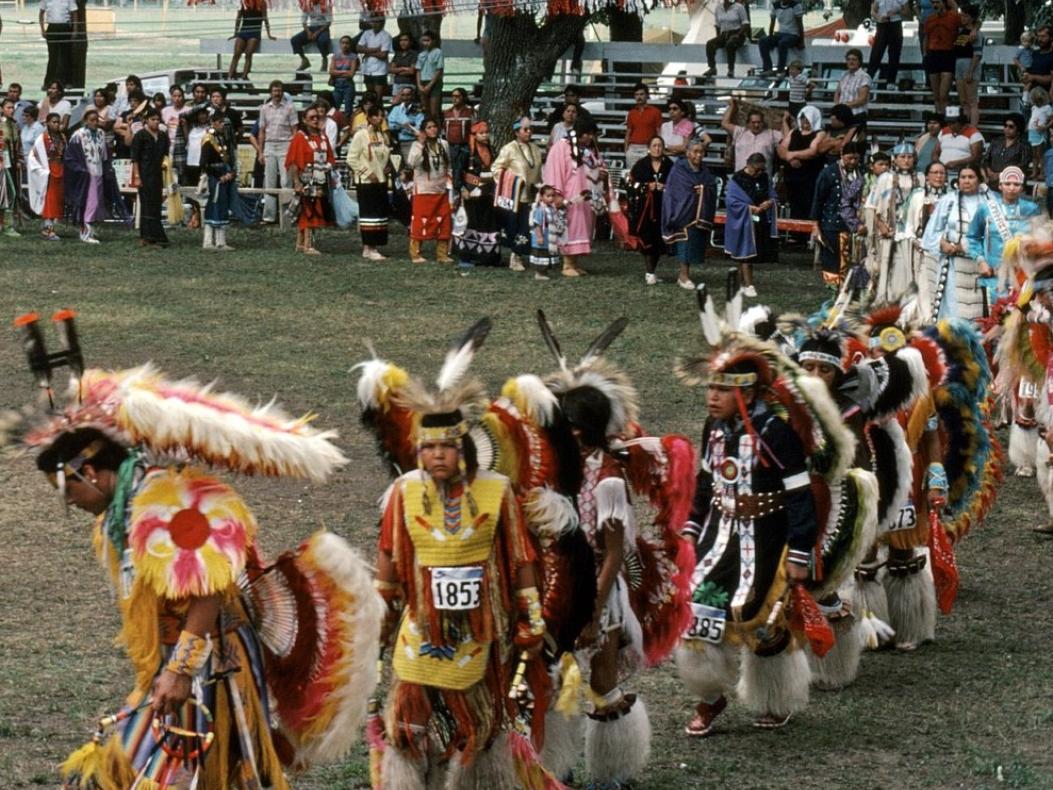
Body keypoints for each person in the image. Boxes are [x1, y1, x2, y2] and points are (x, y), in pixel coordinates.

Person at [12, 335, 376, 790]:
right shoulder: (124, 508)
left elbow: (206, 589)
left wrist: (180, 670)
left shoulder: (165, 504)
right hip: (179, 658)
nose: (71, 505)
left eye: (68, 493)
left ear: (89, 472)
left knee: (205, 769)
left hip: (215, 660)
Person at [369, 328, 546, 788]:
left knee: (479, 725)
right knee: (407, 722)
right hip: (421, 628)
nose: (436, 455)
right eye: (427, 447)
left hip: (480, 628)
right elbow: (389, 559)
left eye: (445, 446)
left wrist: (531, 617)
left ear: (463, 448)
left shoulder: (496, 491)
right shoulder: (404, 492)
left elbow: (519, 559)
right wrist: (380, 617)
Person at [675, 328, 824, 736]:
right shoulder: (714, 428)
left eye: (721, 391)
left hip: (766, 540)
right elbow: (704, 484)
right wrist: (690, 529)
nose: (712, 398)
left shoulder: (776, 434)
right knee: (698, 612)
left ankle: (773, 697)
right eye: (710, 389)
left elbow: (799, 495)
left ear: (746, 394)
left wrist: (797, 553)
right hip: (718, 539)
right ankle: (709, 695)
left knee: (764, 624)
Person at [966, 166, 1042, 307]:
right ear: (1000, 186)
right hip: (994, 277)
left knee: (1021, 323)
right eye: (1007, 184)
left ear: (1021, 187)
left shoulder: (1032, 209)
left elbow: (1040, 239)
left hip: (1023, 276)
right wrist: (981, 260)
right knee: (994, 322)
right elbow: (972, 237)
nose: (1011, 188)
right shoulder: (986, 208)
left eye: (1016, 184)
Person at [542, 117, 607, 277]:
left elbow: (593, 170)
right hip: (568, 196)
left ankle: (574, 263)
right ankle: (567, 264)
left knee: (581, 228)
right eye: (588, 134)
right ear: (580, 133)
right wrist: (556, 194)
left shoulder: (586, 151)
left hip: (583, 196)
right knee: (569, 228)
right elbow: (553, 171)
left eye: (592, 135)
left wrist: (601, 174)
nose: (591, 138)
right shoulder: (561, 147)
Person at [920, 163, 984, 319]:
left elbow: (994, 235)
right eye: (963, 177)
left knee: (975, 307)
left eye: (971, 177)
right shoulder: (948, 200)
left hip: (978, 263)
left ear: (979, 180)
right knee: (951, 304)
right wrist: (942, 243)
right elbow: (932, 230)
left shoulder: (989, 201)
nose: (966, 181)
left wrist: (967, 247)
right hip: (952, 263)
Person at [661, 136, 717, 289]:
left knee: (693, 243)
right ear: (688, 153)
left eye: (702, 152)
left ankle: (686, 274)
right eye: (696, 151)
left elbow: (711, 186)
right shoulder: (679, 168)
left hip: (698, 212)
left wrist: (704, 190)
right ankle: (683, 275)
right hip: (682, 211)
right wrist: (693, 192)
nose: (699, 155)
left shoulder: (704, 169)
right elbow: (675, 190)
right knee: (685, 242)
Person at [64, 107, 126, 244]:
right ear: (85, 120)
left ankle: (89, 229)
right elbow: (69, 157)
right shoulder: (78, 135)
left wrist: (107, 168)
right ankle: (85, 232)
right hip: (85, 174)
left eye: (96, 120)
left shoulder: (100, 134)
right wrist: (80, 170)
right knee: (90, 202)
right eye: (91, 120)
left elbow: (104, 155)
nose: (94, 123)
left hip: (98, 172)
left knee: (96, 202)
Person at [810, 141, 866, 288]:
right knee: (832, 259)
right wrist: (815, 226)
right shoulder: (829, 173)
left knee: (855, 257)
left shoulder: (862, 174)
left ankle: (852, 287)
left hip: (856, 225)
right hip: (831, 223)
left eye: (856, 159)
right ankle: (834, 288)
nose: (853, 162)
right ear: (842, 155)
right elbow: (818, 200)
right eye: (849, 158)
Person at [493, 116, 543, 272]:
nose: (529, 132)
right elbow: (496, 169)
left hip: (531, 194)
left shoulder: (535, 149)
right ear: (516, 132)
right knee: (516, 226)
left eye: (530, 129)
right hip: (514, 196)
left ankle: (520, 255)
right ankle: (515, 257)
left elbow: (538, 170)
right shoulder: (509, 149)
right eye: (525, 130)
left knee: (527, 226)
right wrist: (513, 180)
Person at [451, 120, 501, 273]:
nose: (485, 135)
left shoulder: (490, 149)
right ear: (474, 135)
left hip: (487, 192)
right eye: (481, 133)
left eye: (486, 132)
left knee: (487, 223)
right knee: (470, 223)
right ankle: (467, 257)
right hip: (471, 192)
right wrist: (461, 188)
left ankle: (487, 257)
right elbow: (458, 171)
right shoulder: (466, 151)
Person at [285, 104, 335, 255]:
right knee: (308, 211)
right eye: (311, 118)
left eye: (317, 117)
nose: (315, 120)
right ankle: (308, 245)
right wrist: (297, 182)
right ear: (304, 120)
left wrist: (328, 169)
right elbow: (293, 161)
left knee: (314, 209)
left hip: (321, 179)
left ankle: (300, 244)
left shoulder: (323, 136)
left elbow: (330, 158)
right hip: (306, 178)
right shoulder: (300, 137)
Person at [725, 153, 776, 296]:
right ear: (748, 165)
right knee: (745, 252)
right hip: (743, 219)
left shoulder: (764, 177)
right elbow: (731, 201)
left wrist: (769, 202)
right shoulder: (737, 180)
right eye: (756, 169)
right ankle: (749, 285)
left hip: (760, 220)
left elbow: (773, 195)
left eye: (761, 169)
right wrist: (749, 208)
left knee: (752, 253)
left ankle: (741, 283)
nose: (759, 173)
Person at [347, 104, 392, 261]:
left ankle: (375, 246)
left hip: (380, 180)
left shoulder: (381, 136)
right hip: (366, 181)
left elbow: (383, 155)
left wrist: (385, 166)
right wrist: (366, 173)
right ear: (369, 117)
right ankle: (368, 247)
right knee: (369, 213)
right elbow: (351, 159)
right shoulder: (361, 135)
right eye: (377, 116)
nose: (380, 119)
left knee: (379, 213)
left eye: (382, 116)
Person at [626, 135, 673, 285]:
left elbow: (677, 185)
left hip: (663, 208)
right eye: (654, 145)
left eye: (660, 145)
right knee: (647, 239)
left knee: (659, 240)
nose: (657, 148)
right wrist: (647, 186)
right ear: (649, 148)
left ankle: (652, 271)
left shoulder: (670, 165)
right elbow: (630, 184)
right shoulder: (641, 165)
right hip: (645, 210)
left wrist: (665, 187)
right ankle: (649, 272)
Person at [407, 117, 454, 264]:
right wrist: (421, 144)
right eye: (429, 127)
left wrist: (450, 183)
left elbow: (449, 166)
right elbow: (412, 163)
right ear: (423, 131)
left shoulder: (443, 144)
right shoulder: (417, 145)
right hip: (423, 190)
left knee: (444, 221)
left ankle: (442, 254)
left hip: (441, 189)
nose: (433, 129)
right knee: (421, 222)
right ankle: (415, 254)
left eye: (434, 126)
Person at [906, 161, 949, 309]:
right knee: (922, 285)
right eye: (934, 173)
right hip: (921, 249)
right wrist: (914, 241)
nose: (938, 176)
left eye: (942, 173)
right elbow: (908, 224)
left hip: (943, 250)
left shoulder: (951, 198)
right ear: (927, 176)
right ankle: (924, 319)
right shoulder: (917, 196)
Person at [778, 105, 827, 223]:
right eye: (802, 118)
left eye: (807, 119)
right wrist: (790, 159)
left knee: (807, 208)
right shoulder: (793, 132)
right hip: (792, 179)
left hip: (809, 179)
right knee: (794, 207)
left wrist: (792, 154)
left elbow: (812, 151)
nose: (805, 121)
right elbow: (781, 149)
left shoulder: (819, 133)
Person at [199, 110, 241, 251]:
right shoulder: (208, 139)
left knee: (222, 206)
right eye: (220, 122)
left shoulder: (222, 137)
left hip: (224, 174)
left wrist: (229, 173)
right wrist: (219, 176)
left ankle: (220, 241)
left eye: (224, 122)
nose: (223, 124)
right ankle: (209, 241)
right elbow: (204, 163)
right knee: (214, 206)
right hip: (215, 177)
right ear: (213, 123)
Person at [129, 107, 169, 248]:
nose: (156, 122)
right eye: (153, 119)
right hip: (145, 174)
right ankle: (146, 237)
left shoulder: (163, 136)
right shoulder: (141, 135)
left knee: (156, 204)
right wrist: (137, 176)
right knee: (146, 205)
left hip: (157, 174)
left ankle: (156, 235)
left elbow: (166, 155)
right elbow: (135, 158)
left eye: (158, 119)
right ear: (146, 120)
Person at [258, 80, 297, 224]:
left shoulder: (290, 108)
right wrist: (261, 152)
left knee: (286, 181)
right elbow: (261, 131)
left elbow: (294, 131)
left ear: (283, 92)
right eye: (274, 91)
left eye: (279, 91)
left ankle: (287, 216)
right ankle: (269, 217)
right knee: (269, 181)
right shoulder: (264, 108)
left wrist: (293, 151)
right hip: (269, 145)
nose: (277, 94)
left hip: (285, 145)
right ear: (270, 92)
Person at [27, 111, 64, 241]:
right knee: (50, 201)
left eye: (58, 122)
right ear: (47, 123)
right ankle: (48, 229)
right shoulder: (42, 139)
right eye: (54, 122)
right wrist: (43, 172)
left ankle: (48, 227)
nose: (57, 124)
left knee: (57, 201)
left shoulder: (62, 137)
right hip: (48, 173)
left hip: (60, 171)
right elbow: (32, 157)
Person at [721, 98, 782, 174]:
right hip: (741, 178)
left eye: (759, 122)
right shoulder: (740, 132)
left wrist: (785, 120)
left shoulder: (771, 134)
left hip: (762, 179)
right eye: (753, 122)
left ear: (763, 123)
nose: (756, 125)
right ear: (748, 123)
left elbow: (787, 137)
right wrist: (732, 106)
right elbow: (724, 124)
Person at [923, 0, 961, 115]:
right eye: (933, 3)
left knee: (943, 94)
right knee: (936, 96)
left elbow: (971, 23)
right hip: (933, 55)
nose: (935, 5)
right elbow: (926, 37)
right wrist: (925, 53)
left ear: (944, 3)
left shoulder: (954, 17)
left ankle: (946, 120)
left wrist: (960, 44)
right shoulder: (930, 19)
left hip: (948, 54)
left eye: (938, 2)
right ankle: (939, 118)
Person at [228, 0, 274, 80]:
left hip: (255, 32)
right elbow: (238, 18)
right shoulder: (243, 2)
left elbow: (265, 18)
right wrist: (235, 33)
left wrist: (269, 34)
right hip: (243, 31)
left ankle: (244, 77)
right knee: (236, 54)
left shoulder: (262, 3)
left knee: (248, 53)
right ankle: (230, 77)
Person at [953, 4, 983, 126]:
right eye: (962, 16)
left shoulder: (976, 34)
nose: (963, 18)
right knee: (963, 101)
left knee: (972, 100)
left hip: (969, 63)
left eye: (966, 16)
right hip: (959, 64)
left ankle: (973, 127)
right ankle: (965, 124)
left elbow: (977, 54)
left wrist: (971, 70)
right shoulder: (961, 31)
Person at [181, 104, 210, 231]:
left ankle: (202, 217)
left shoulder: (209, 128)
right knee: (191, 191)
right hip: (190, 162)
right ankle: (194, 215)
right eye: (200, 114)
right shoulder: (192, 127)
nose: (202, 116)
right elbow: (188, 141)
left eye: (204, 113)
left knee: (202, 192)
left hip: (202, 163)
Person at [934, 105, 983, 178]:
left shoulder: (974, 134)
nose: (950, 125)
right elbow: (935, 152)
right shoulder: (943, 131)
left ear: (961, 121)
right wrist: (939, 164)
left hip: (963, 172)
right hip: (942, 172)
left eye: (953, 123)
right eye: (948, 122)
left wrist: (957, 163)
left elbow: (976, 157)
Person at [983, 113, 1030, 188]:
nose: (1007, 129)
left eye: (1011, 127)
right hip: (992, 182)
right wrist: (989, 171)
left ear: (1018, 128)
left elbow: (1022, 166)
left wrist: (1000, 174)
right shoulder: (996, 142)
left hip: (1012, 184)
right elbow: (985, 160)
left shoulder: (1024, 146)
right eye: (1005, 126)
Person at [624, 82, 663, 172]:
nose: (639, 97)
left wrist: (658, 149)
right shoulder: (631, 113)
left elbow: (659, 132)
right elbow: (628, 132)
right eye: (636, 95)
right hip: (633, 148)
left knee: (648, 174)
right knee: (632, 174)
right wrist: (626, 151)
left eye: (641, 94)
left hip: (648, 147)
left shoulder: (655, 112)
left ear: (647, 95)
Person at [705, 0, 749, 78]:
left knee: (730, 44)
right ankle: (712, 68)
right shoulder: (718, 8)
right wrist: (718, 37)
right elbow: (718, 25)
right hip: (724, 34)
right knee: (710, 44)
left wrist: (738, 34)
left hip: (737, 33)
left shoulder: (739, 7)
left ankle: (731, 70)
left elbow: (745, 24)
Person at [868, 0, 908, 85]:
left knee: (894, 54)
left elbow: (906, 11)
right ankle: (868, 78)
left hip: (895, 24)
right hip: (882, 25)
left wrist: (896, 11)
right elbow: (873, 11)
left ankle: (891, 81)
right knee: (877, 52)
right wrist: (879, 18)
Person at [759, 0, 805, 76]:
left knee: (782, 43)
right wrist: (770, 38)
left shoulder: (796, 6)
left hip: (793, 34)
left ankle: (780, 70)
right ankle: (767, 68)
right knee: (762, 41)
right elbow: (772, 23)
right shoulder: (775, 5)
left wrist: (801, 41)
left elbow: (800, 24)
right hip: (780, 33)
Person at [39, 0, 76, 90]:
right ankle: (48, 82)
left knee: (66, 56)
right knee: (52, 57)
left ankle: (68, 81)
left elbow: (74, 13)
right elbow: (41, 13)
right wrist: (43, 29)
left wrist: (75, 30)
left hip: (65, 27)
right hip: (52, 27)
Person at [528, 185, 562, 280]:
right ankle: (539, 273)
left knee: (546, 254)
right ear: (542, 197)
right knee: (541, 255)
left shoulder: (551, 208)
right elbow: (537, 224)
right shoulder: (540, 209)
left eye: (553, 196)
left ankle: (544, 272)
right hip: (541, 238)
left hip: (548, 238)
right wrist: (539, 237)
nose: (551, 198)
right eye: (548, 196)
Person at [833, 49, 871, 131]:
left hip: (857, 115)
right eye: (849, 59)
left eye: (854, 59)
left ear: (859, 61)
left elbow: (862, 99)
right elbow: (837, 93)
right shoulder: (844, 75)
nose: (851, 62)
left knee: (855, 142)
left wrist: (844, 106)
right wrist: (837, 108)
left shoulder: (864, 77)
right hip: (842, 116)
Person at [443, 87, 474, 187]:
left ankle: (467, 190)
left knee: (463, 170)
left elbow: (474, 129)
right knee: (452, 170)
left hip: (464, 146)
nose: (454, 99)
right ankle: (455, 192)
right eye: (453, 96)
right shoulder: (447, 112)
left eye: (457, 96)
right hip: (450, 146)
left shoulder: (470, 112)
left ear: (463, 97)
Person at [357, 14, 392, 100]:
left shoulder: (386, 36)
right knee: (370, 96)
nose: (375, 24)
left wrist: (368, 52)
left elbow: (383, 55)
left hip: (380, 71)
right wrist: (375, 50)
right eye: (373, 21)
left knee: (377, 98)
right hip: (367, 69)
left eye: (378, 22)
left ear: (382, 23)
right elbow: (358, 48)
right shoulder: (366, 33)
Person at [292, 0, 333, 72]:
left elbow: (328, 22)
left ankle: (324, 59)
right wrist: (308, 32)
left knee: (322, 41)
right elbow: (303, 21)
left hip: (323, 28)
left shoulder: (324, 6)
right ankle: (304, 60)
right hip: (311, 28)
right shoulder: (307, 5)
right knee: (295, 40)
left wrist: (317, 33)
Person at [388, 85, 425, 162]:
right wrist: (403, 126)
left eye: (408, 95)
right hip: (396, 143)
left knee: (411, 165)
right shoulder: (396, 109)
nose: (405, 98)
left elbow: (418, 129)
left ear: (412, 96)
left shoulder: (418, 110)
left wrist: (405, 127)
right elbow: (390, 125)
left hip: (412, 142)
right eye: (403, 95)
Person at [0, 100, 21, 237]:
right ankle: (7, 226)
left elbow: (18, 144)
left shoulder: (14, 124)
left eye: (13, 107)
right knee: (8, 193)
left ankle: (5, 225)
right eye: (8, 107)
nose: (12, 110)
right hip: (1, 163)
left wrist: (18, 160)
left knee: (9, 193)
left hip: (10, 163)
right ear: (1, 108)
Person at [415, 30, 444, 121]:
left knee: (434, 111)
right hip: (423, 82)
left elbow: (438, 70)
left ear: (433, 41)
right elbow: (418, 70)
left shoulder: (438, 52)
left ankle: (437, 130)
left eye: (428, 40)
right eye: (424, 40)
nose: (425, 43)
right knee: (425, 110)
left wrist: (430, 85)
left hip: (434, 82)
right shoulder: (421, 55)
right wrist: (419, 85)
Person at [329, 35, 358, 117]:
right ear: (340, 44)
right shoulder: (335, 56)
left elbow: (351, 74)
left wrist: (337, 72)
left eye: (347, 43)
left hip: (348, 86)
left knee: (348, 109)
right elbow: (331, 71)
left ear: (350, 45)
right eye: (343, 43)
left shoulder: (353, 57)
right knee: (334, 108)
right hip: (337, 85)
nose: (345, 45)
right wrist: (345, 72)